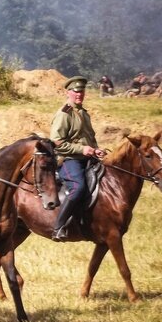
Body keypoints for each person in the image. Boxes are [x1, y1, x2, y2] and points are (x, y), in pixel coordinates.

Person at [50, 76, 106, 241]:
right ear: (68, 92)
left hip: (87, 158)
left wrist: (96, 150)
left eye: (81, 91)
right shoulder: (64, 114)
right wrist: (83, 149)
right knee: (78, 187)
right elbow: (56, 142)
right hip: (68, 159)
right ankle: (58, 227)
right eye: (76, 91)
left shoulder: (83, 113)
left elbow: (89, 137)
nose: (79, 94)